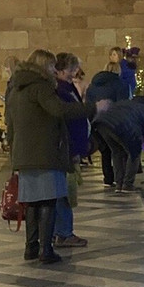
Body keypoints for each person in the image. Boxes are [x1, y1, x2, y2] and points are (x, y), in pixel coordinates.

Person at [5, 49, 108, 263]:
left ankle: (31, 248)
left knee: (32, 203)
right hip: (45, 152)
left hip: (24, 154)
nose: (54, 70)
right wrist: (93, 108)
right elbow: (59, 110)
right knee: (48, 201)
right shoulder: (40, 87)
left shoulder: (15, 89)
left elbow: (10, 125)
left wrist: (14, 156)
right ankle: (46, 250)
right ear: (44, 65)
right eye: (52, 66)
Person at [53, 52, 89, 248]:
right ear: (59, 70)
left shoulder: (68, 87)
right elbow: (69, 116)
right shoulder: (59, 90)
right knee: (64, 192)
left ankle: (61, 231)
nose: (74, 72)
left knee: (67, 191)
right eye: (70, 69)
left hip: (72, 146)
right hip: (66, 148)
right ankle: (64, 232)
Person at [91, 95, 144, 194]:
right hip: (120, 126)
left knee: (117, 152)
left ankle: (119, 184)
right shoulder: (142, 108)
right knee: (134, 153)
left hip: (101, 125)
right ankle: (127, 184)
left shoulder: (124, 103)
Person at [86, 65, 130, 187]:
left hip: (97, 121)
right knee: (119, 150)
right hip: (114, 121)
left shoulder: (92, 85)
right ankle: (121, 179)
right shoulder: (120, 84)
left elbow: (88, 104)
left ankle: (108, 178)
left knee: (105, 151)